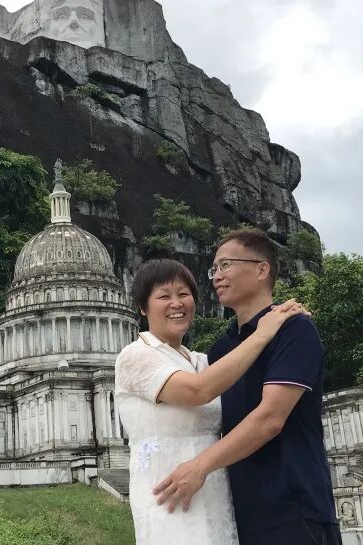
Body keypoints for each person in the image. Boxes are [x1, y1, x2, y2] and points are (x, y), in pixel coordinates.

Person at [153, 228, 340, 545]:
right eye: (214, 269)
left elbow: (270, 419)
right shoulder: (222, 349)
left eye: (226, 265)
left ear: (262, 269)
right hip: (240, 512)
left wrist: (200, 466)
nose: (216, 276)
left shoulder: (295, 329)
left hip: (294, 508)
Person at [115, 258, 307, 545]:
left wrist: (284, 324)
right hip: (168, 495)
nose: (177, 303)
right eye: (164, 296)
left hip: (215, 492)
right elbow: (198, 391)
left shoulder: (202, 361)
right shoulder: (134, 356)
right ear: (143, 307)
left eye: (184, 294)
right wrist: (263, 333)